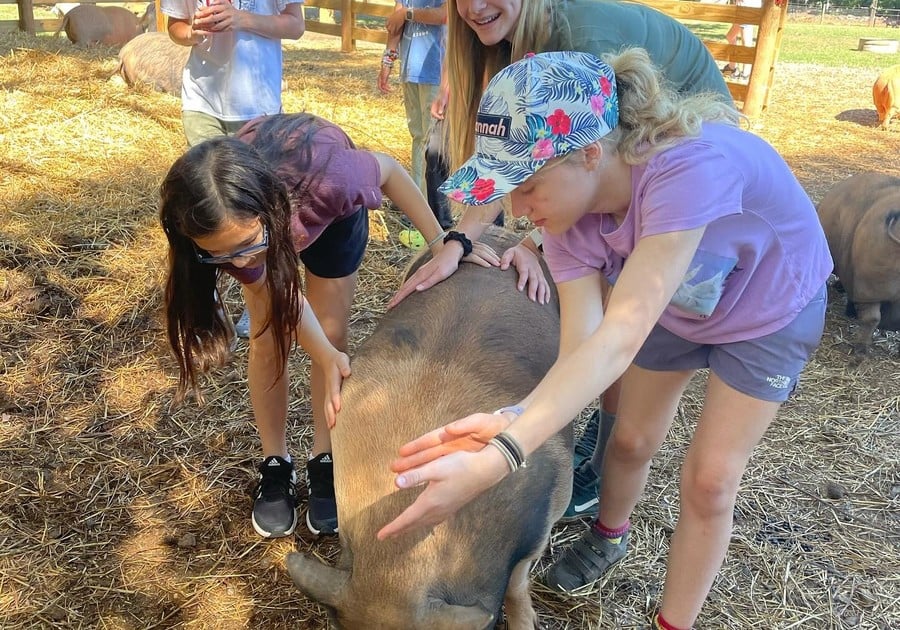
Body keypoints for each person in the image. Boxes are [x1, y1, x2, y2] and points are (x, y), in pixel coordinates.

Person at [377, 50, 832, 630]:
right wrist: (518, 416)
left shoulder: (686, 169)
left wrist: (504, 456)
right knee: (629, 441)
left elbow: (619, 337)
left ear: (591, 153)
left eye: (528, 185)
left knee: (712, 479)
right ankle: (609, 533)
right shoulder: (568, 222)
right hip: (678, 302)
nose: (515, 211)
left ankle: (674, 623)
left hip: (768, 307)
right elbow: (583, 351)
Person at [389, 0, 736, 523]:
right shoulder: (527, 70)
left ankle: (608, 440)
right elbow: (528, 162)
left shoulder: (582, 58)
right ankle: (591, 419)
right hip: (607, 176)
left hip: (670, 150)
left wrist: (534, 239)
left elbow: (616, 332)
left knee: (635, 309)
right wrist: (458, 239)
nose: (475, 7)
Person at [159, 113, 492, 539]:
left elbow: (389, 172)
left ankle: (324, 459)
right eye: (221, 255)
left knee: (331, 334)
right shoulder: (216, 225)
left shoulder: (332, 181)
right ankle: (275, 464)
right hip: (265, 220)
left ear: (266, 209)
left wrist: (439, 242)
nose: (239, 264)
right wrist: (237, 253)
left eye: (244, 246)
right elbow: (275, 291)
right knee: (267, 338)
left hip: (330, 219)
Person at [161, 0, 305, 337]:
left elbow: (295, 25)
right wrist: (192, 32)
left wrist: (241, 18)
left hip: (258, 106)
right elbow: (175, 27)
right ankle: (207, 302)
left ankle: (261, 300)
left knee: (255, 209)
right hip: (202, 102)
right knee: (203, 202)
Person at [378, 1, 452, 245]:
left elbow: (445, 15)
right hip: (410, 70)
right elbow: (395, 23)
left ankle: (432, 218)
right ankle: (419, 210)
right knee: (418, 137)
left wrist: (407, 13)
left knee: (433, 143)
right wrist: (388, 60)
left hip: (435, 71)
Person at [723, 0, 762, 81]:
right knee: (730, 36)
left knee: (746, 42)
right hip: (742, 7)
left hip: (747, 7)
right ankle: (732, 68)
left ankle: (746, 73)